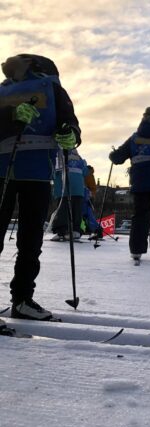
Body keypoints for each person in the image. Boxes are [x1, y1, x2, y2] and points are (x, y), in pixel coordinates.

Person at [0, 54, 81, 323]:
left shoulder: (53, 90)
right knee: (29, 242)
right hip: (27, 171)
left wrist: (70, 132)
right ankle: (22, 299)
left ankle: (22, 299)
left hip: (28, 171)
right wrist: (11, 116)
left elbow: (69, 120)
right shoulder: (12, 91)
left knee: (31, 242)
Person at [109, 107, 150, 264]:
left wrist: (113, 154)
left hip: (140, 184)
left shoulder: (133, 140)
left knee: (140, 216)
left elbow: (117, 158)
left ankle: (136, 251)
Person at [50, 148, 87, 241]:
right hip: (78, 190)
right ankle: (76, 231)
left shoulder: (58, 156)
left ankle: (61, 232)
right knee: (76, 211)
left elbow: (52, 171)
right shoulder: (79, 159)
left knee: (62, 211)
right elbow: (86, 172)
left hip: (64, 189)